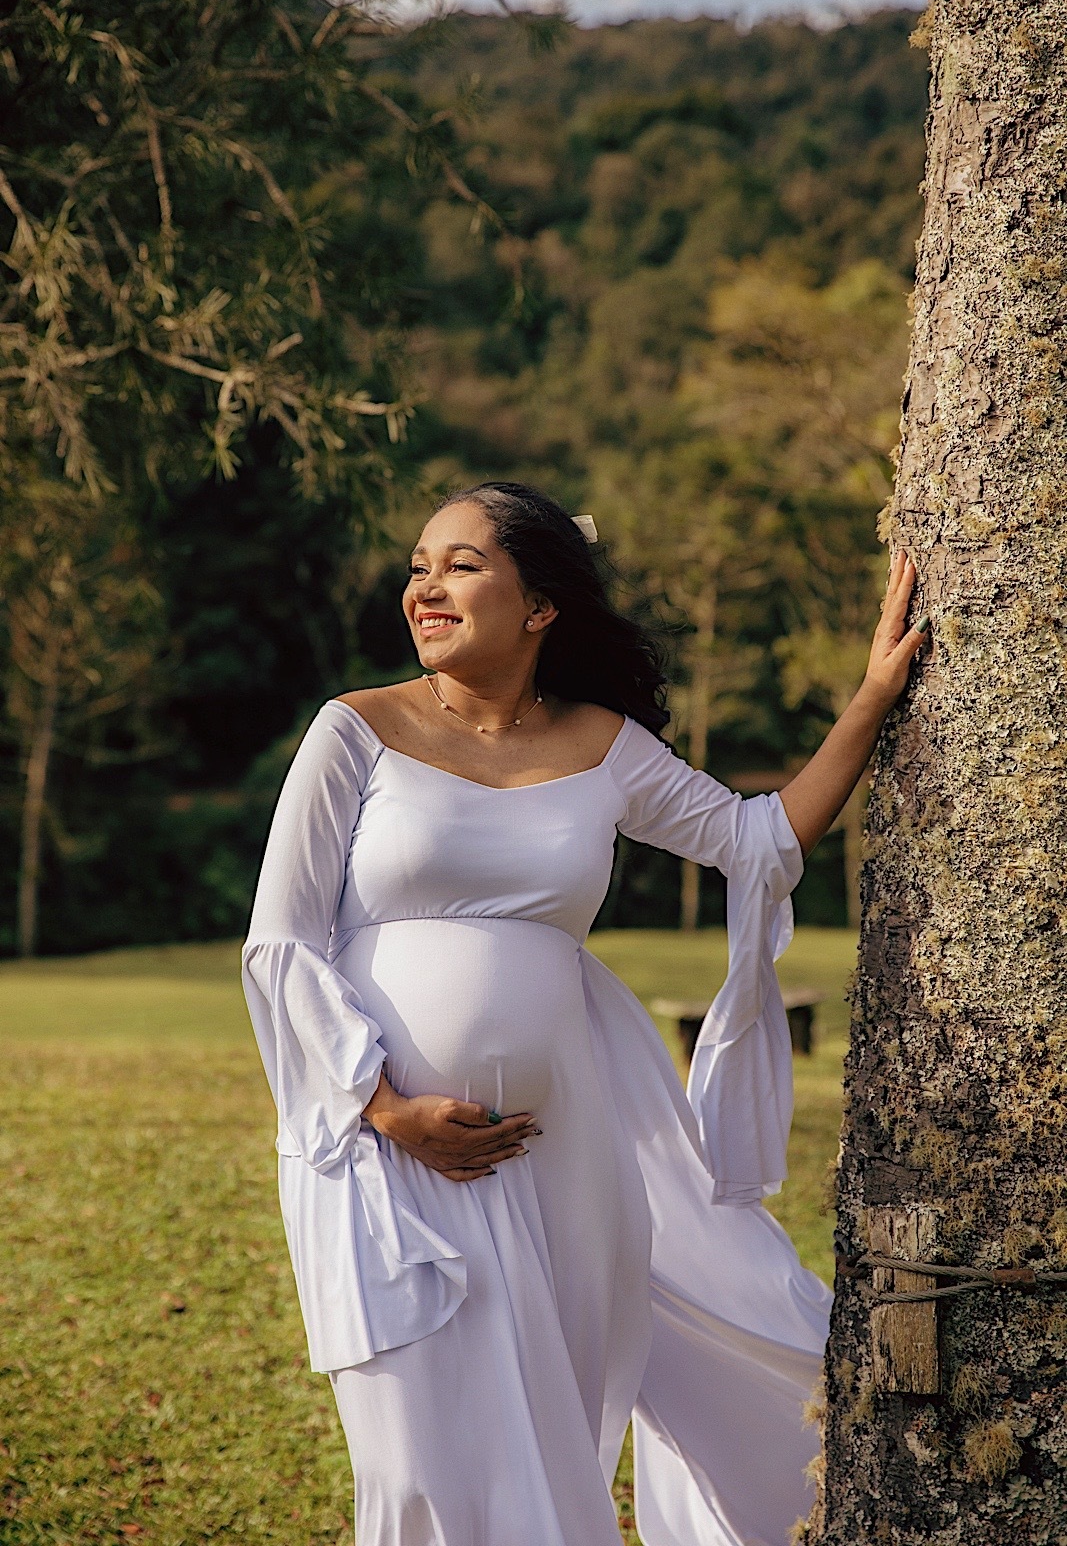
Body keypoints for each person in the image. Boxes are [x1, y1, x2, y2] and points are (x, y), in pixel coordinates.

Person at [242, 481, 929, 1546]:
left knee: (551, 1455)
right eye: (419, 566)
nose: (425, 587)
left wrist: (873, 695)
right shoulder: (355, 732)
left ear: (539, 604)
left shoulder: (601, 745)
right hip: (376, 1156)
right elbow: (279, 942)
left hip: (560, 1166)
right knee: (416, 1464)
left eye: (460, 564)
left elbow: (758, 842)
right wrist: (383, 1107)